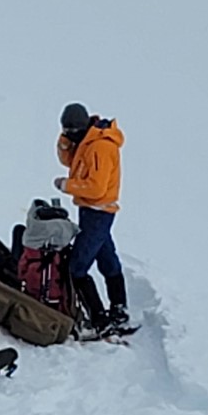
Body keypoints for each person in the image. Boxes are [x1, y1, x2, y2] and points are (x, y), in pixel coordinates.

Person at [53, 102, 129, 331]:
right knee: (107, 260)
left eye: (70, 132)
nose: (67, 135)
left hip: (98, 211)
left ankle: (100, 319)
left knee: (77, 267)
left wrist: (67, 185)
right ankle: (119, 310)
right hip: (91, 210)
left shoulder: (100, 147)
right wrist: (65, 143)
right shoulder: (86, 141)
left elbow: (96, 188)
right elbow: (69, 161)